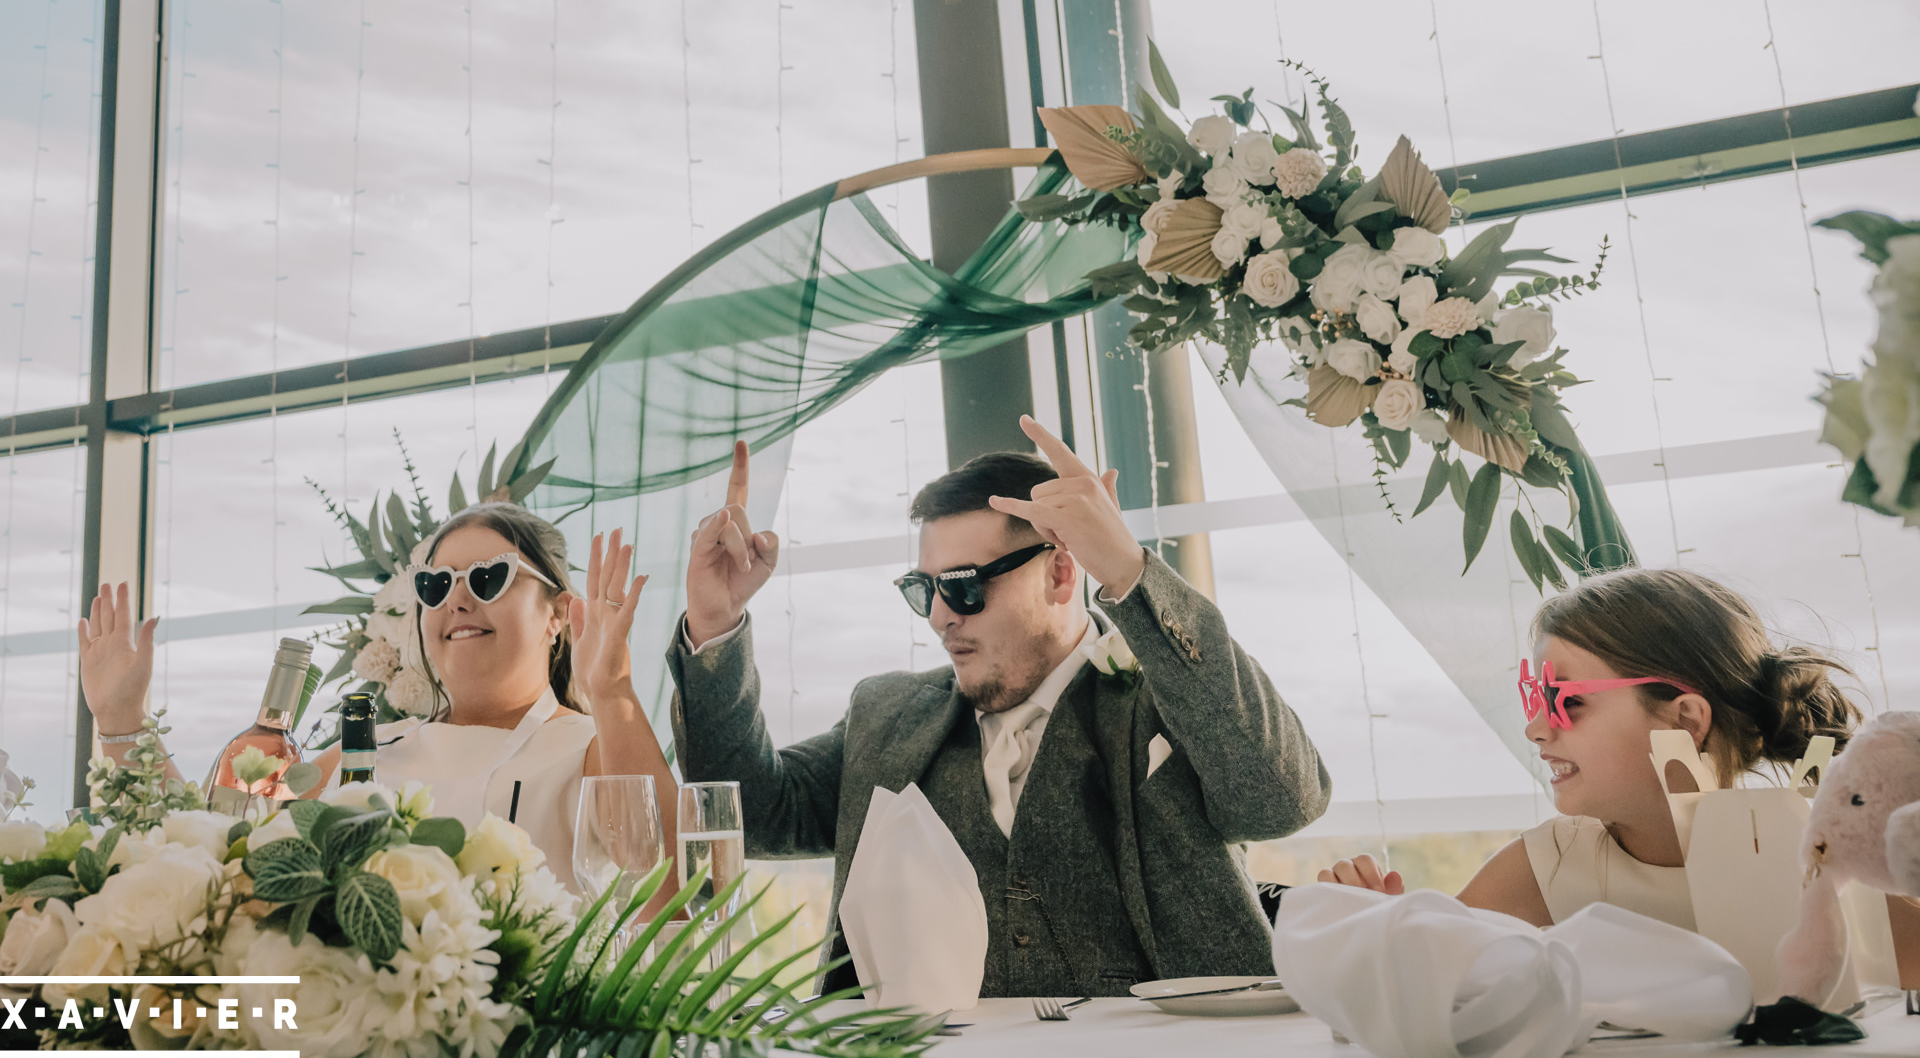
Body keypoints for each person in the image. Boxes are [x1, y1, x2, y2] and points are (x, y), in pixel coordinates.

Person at [668, 415, 1331, 997]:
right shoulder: (887, 714)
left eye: (960, 586)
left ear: (1063, 571)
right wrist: (714, 627)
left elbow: (1281, 799)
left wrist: (1130, 571)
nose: (936, 616)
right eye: (921, 588)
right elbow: (748, 814)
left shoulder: (1173, 695)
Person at [78, 504, 678, 892]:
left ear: (558, 615)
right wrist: (122, 722)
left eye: (489, 577)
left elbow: (668, 883)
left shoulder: (590, 747)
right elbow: (211, 845)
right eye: (436, 585)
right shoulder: (368, 750)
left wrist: (613, 692)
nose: (457, 601)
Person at [1318, 569, 1892, 936]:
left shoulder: (1822, 853)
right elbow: (1433, 976)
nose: (1537, 730)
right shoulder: (1550, 865)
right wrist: (1375, 931)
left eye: (1568, 701)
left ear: (1684, 719)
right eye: (1534, 699)